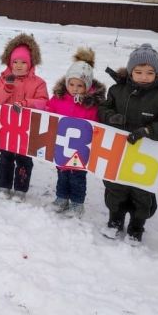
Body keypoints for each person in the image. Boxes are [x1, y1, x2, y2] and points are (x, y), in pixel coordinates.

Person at [98, 43, 158, 242]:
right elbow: (102, 109)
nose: (143, 76)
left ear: (157, 73)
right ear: (130, 72)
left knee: (142, 193)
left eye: (149, 72)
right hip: (119, 152)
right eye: (138, 72)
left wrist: (149, 131)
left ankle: (137, 226)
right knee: (115, 187)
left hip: (148, 155)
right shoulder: (117, 90)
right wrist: (111, 116)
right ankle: (115, 220)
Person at [46, 48, 106, 216]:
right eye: (71, 84)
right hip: (63, 145)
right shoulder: (59, 98)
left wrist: (85, 104)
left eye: (80, 85)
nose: (75, 88)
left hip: (81, 148)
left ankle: (77, 203)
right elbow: (49, 112)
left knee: (78, 176)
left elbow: (97, 122)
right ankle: (61, 198)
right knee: (62, 172)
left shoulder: (92, 104)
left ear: (87, 86)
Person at [0, 33, 48, 200]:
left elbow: (44, 102)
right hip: (6, 128)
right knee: (5, 159)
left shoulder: (38, 83)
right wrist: (6, 89)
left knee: (24, 160)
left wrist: (27, 103)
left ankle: (21, 188)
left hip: (26, 130)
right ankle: (4, 186)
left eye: (23, 62)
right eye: (15, 62)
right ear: (10, 62)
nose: (19, 65)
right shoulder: (4, 79)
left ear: (30, 63)